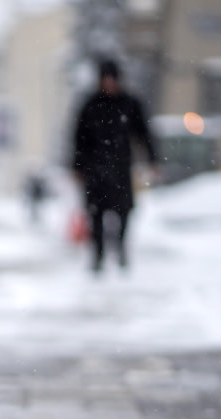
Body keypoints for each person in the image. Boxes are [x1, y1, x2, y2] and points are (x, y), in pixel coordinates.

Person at [71, 59, 158, 273]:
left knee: (124, 212)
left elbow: (144, 134)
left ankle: (121, 250)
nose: (109, 83)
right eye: (105, 78)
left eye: (112, 78)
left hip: (120, 169)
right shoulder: (90, 105)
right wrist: (77, 167)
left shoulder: (130, 104)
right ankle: (98, 256)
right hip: (95, 170)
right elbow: (78, 139)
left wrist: (153, 159)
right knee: (95, 215)